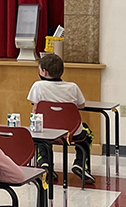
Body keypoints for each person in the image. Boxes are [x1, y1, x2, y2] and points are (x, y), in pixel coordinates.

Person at [28, 53, 94, 183]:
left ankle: (45, 163)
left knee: (41, 136)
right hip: (71, 132)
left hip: (46, 130)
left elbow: (35, 109)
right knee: (88, 135)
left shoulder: (38, 86)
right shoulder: (73, 87)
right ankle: (80, 164)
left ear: (44, 72)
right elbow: (81, 105)